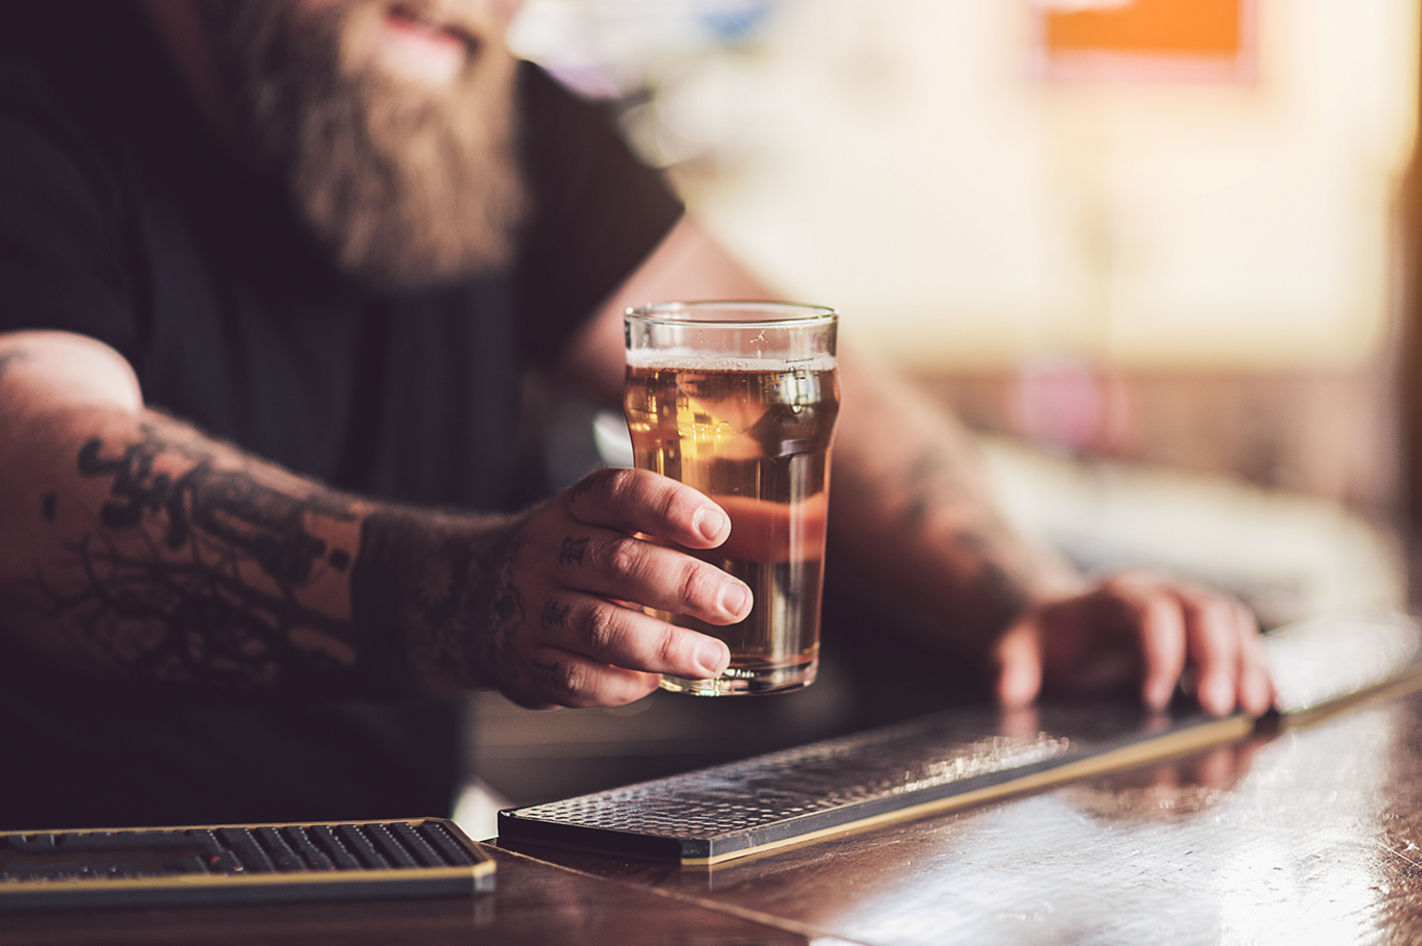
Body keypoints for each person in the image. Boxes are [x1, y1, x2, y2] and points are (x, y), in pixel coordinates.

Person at [0, 0, 1273, 829]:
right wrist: (474, 591)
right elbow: (41, 487)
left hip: (414, 879)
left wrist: (1026, 597)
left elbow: (783, 367)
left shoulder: (492, 113)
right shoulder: (36, 83)